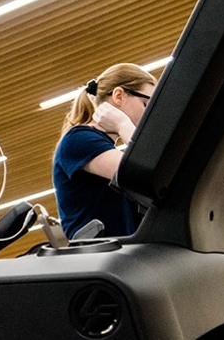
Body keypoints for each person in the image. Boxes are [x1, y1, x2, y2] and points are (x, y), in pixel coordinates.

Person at [52, 63, 157, 238]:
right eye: (146, 105)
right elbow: (145, 173)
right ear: (119, 95)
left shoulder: (106, 147)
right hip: (99, 255)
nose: (150, 116)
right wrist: (123, 125)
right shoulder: (79, 139)